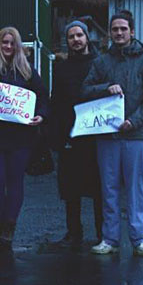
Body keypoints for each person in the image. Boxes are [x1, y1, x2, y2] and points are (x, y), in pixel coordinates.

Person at [81, 10, 143, 257]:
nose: (118, 33)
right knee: (109, 188)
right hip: (107, 134)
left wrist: (134, 121)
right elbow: (84, 90)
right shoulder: (101, 61)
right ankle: (110, 238)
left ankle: (139, 238)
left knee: (135, 188)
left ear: (132, 31)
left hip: (135, 135)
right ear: (110, 32)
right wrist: (106, 87)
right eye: (114, 29)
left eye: (123, 29)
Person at [0, 27, 48, 249]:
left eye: (11, 43)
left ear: (18, 47)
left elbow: (43, 97)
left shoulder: (27, 72)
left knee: (15, 182)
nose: (7, 47)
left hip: (20, 138)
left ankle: (10, 225)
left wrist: (41, 115)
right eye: (4, 43)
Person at [49, 20, 103, 248]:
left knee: (99, 189)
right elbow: (56, 102)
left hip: (97, 134)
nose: (76, 40)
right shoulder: (61, 68)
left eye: (79, 35)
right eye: (71, 36)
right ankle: (74, 232)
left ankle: (103, 234)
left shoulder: (100, 64)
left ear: (87, 37)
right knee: (71, 189)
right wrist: (56, 136)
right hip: (71, 136)